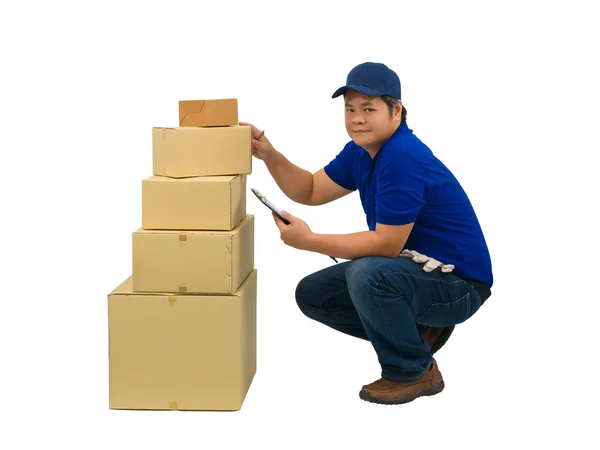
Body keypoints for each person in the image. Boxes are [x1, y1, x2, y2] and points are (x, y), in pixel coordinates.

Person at [240, 61, 493, 405]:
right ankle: (416, 334)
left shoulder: (403, 156)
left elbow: (386, 244)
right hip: (416, 272)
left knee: (368, 272)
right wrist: (268, 153)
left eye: (369, 108)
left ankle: (412, 370)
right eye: (350, 109)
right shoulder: (361, 151)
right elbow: (311, 190)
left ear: (396, 110)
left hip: (460, 285)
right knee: (314, 293)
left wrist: (309, 241)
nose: (357, 118)